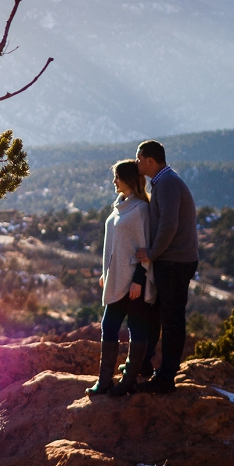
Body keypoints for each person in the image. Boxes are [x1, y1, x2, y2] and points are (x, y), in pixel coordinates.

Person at [132, 139, 198, 394]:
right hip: (171, 260)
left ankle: (167, 377)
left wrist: (151, 253)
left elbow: (169, 224)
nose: (137, 163)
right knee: (160, 315)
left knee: (171, 320)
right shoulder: (164, 181)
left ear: (150, 160)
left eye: (139, 159)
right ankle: (152, 368)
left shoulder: (168, 183)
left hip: (174, 262)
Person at [88, 159, 152, 397]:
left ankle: (128, 382)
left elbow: (145, 247)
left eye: (117, 177)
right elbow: (114, 245)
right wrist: (107, 273)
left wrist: (138, 278)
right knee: (109, 326)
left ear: (127, 179)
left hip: (135, 280)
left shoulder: (140, 210)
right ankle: (104, 381)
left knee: (136, 327)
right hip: (116, 278)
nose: (114, 181)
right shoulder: (120, 206)